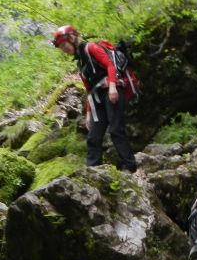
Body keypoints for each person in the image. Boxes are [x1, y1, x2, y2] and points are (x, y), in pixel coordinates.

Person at [51, 24, 138, 173]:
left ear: (72, 38)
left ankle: (129, 165)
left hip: (112, 90)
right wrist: (88, 114)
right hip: (97, 97)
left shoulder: (91, 48)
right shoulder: (81, 62)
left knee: (116, 129)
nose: (65, 49)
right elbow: (89, 90)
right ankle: (92, 171)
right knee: (93, 136)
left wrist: (112, 87)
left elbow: (110, 65)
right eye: (62, 48)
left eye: (65, 45)